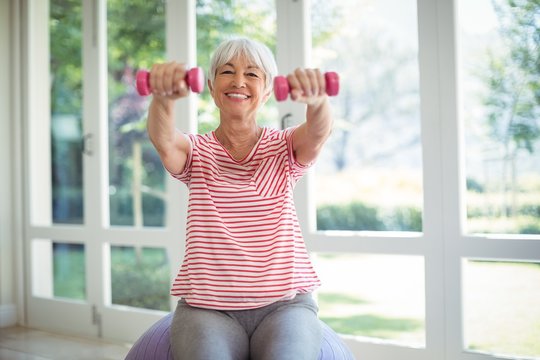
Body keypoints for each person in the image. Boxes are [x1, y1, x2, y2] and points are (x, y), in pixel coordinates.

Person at [146, 37, 333, 360]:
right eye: (227, 72)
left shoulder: (284, 148)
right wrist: (163, 98)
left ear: (268, 90)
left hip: (285, 305)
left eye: (252, 74)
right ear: (210, 85)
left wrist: (317, 102)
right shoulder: (196, 152)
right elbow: (164, 141)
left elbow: (317, 133)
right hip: (207, 310)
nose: (238, 81)